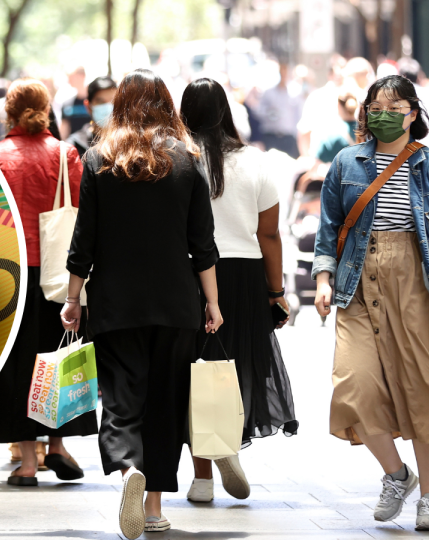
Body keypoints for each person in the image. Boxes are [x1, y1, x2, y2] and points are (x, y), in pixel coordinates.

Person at [61, 69, 222, 539]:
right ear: (166, 105)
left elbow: (82, 242)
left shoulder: (98, 160)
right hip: (176, 303)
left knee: (120, 399)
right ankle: (152, 508)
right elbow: (203, 245)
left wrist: (73, 299)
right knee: (165, 404)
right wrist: (212, 303)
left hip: (115, 303)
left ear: (120, 105)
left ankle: (129, 468)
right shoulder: (189, 161)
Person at [312, 74, 429, 532]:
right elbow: (329, 229)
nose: (383, 114)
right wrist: (323, 278)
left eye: (394, 105)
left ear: (413, 113)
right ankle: (397, 475)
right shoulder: (346, 164)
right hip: (357, 284)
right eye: (375, 106)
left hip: (418, 285)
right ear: (365, 113)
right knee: (353, 387)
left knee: (425, 390)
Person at [179, 78, 298, 504]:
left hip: (191, 274)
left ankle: (202, 477)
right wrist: (275, 291)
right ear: (226, 111)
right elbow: (269, 235)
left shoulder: (178, 160)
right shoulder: (256, 162)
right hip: (245, 275)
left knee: (194, 371)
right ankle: (227, 440)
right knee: (234, 369)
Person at [0, 78, 96, 485]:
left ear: (7, 113)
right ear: (48, 111)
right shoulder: (66, 156)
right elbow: (84, 216)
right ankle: (59, 444)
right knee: (58, 354)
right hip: (60, 273)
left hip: (10, 271)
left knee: (19, 364)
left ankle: (28, 463)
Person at [256, 63, 304, 157]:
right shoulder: (269, 92)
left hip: (288, 137)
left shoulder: (295, 92)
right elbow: (259, 111)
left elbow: (299, 115)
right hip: (271, 135)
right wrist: (269, 113)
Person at [66, 75, 117, 157]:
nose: (108, 107)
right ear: (88, 106)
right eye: (101, 102)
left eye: (113, 101)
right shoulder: (75, 145)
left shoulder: (130, 143)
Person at [58, 65, 91, 139]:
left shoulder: (95, 102)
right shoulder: (67, 104)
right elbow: (64, 128)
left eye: (71, 77)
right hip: (75, 145)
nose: (69, 81)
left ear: (82, 76)